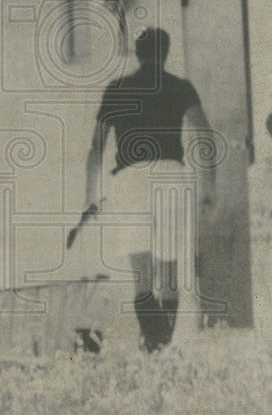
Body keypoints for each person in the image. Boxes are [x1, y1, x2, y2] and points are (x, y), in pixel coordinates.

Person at [83, 27, 216, 352]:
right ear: (165, 54)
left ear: (137, 53)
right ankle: (158, 348)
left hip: (130, 181)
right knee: (169, 274)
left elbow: (96, 147)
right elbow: (205, 136)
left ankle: (155, 348)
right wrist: (209, 187)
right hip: (172, 178)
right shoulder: (180, 87)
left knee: (142, 278)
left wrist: (90, 194)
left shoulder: (117, 88)